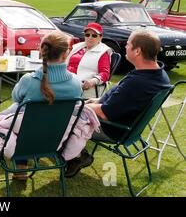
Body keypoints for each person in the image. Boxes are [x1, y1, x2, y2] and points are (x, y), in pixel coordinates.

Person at [0, 31, 84, 178]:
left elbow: (16, 97)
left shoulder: (29, 80)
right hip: (53, 144)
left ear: (42, 51)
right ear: (65, 54)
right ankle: (21, 168)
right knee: (24, 122)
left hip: (21, 142)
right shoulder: (75, 84)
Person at [65, 29, 171, 178]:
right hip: (129, 128)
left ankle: (77, 157)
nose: (125, 47)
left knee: (60, 118)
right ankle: (75, 153)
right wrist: (97, 100)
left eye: (128, 44)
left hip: (113, 129)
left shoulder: (138, 82)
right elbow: (120, 100)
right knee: (71, 109)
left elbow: (104, 113)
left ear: (138, 51)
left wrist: (82, 106)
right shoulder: (158, 73)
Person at [66, 22, 111, 99]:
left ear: (100, 37)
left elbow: (105, 73)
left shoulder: (103, 52)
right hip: (68, 81)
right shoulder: (78, 47)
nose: (90, 37)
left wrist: (93, 81)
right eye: (87, 35)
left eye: (94, 35)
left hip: (83, 86)